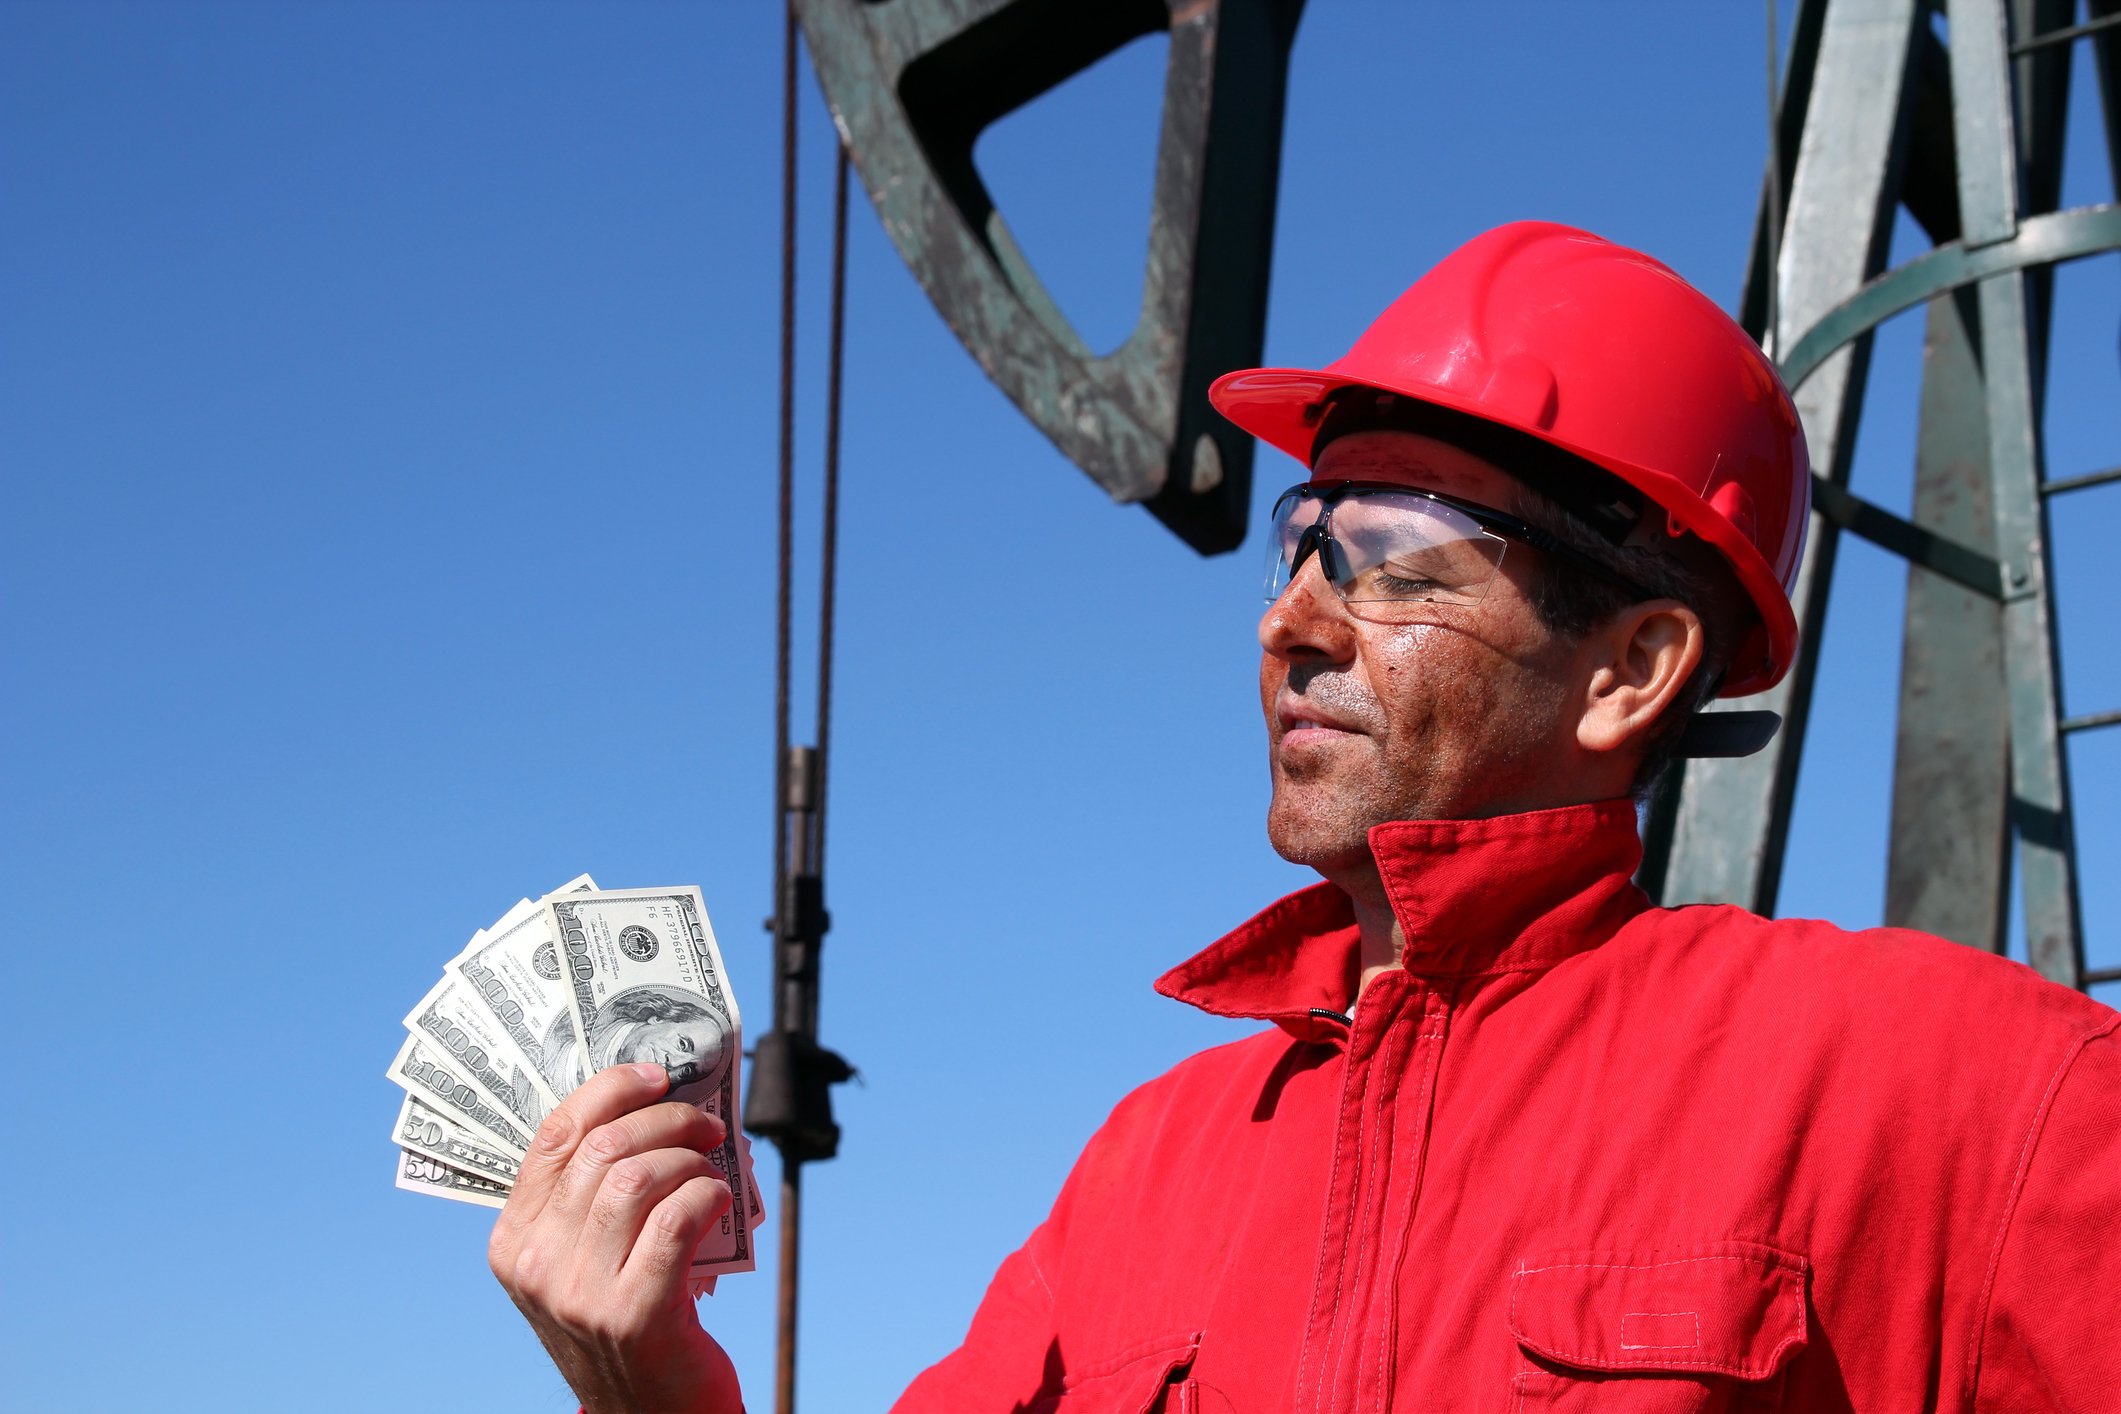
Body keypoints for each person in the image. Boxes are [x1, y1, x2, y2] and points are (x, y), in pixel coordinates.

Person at [485, 222, 2121, 1412]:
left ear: (1631, 666)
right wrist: (656, 1395)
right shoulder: (1145, 1177)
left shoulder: (1958, 1096)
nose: (1291, 618)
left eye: (1393, 554)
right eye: (1297, 541)